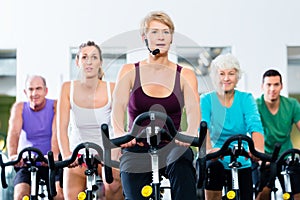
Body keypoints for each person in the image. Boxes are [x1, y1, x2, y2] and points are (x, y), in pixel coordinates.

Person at [111, 11, 200, 200]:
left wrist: (190, 132)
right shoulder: (129, 71)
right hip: (138, 144)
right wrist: (119, 133)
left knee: (182, 162)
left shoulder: (185, 74)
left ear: (171, 38)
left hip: (172, 144)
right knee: (133, 192)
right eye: (154, 32)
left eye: (166, 32)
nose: (161, 37)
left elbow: (193, 110)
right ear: (144, 37)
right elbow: (117, 107)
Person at [57, 41, 123, 199]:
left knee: (114, 185)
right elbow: (61, 128)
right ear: (77, 61)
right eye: (84, 57)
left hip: (106, 153)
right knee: (71, 196)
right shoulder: (67, 88)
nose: (89, 61)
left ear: (100, 62)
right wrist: (67, 155)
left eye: (94, 57)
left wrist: (114, 156)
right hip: (77, 154)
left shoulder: (112, 88)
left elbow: (118, 126)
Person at [200, 53, 265, 200]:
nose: (226, 78)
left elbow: (255, 125)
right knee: (213, 169)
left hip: (241, 157)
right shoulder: (206, 100)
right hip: (215, 157)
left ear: (237, 76)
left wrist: (258, 150)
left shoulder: (246, 99)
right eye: (221, 74)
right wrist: (210, 149)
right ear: (215, 77)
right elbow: (203, 128)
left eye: (231, 73)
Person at [6, 75, 64, 200]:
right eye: (31, 89)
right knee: (20, 195)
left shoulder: (55, 105)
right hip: (27, 162)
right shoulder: (19, 108)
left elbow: (56, 133)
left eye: (38, 89)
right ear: (25, 92)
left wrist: (53, 156)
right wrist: (13, 155)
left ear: (46, 91)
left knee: (59, 195)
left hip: (51, 162)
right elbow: (14, 133)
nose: (34, 93)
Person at [255, 69, 300, 200]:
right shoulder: (256, 106)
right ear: (262, 86)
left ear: (281, 86)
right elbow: (253, 132)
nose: (272, 89)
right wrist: (260, 156)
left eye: (276, 84)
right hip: (264, 156)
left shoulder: (292, 105)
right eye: (268, 85)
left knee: (297, 191)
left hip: (286, 156)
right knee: (262, 193)